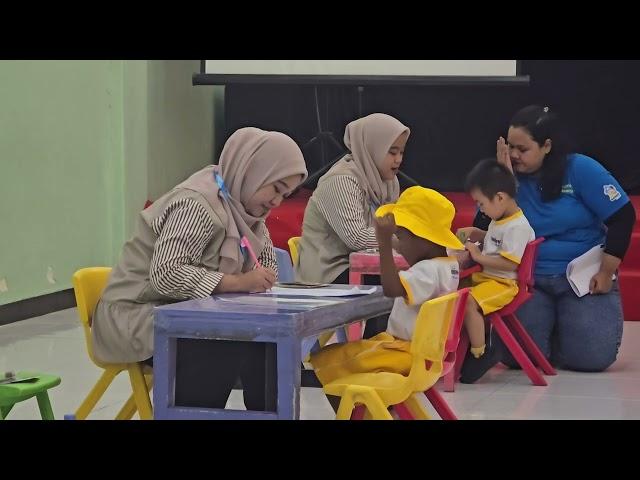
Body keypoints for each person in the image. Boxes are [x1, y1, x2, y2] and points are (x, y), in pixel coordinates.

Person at [91, 127, 308, 411]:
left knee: (270, 343)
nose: (277, 202)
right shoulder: (197, 205)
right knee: (218, 346)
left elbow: (265, 266)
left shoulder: (245, 208)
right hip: (137, 316)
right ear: (252, 170)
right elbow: (166, 275)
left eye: (286, 194)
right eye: (276, 188)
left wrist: (259, 279)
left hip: (188, 315)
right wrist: (240, 282)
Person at [472, 105, 635, 372]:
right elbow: (484, 228)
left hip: (580, 278)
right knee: (514, 358)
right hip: (526, 280)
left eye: (522, 150)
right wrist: (500, 184)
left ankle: (563, 332)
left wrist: (606, 272)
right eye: (510, 147)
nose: (513, 155)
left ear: (547, 146)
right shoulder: (505, 175)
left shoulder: (581, 168)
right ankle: (552, 331)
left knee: (592, 359)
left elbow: (623, 216)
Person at [309, 187, 464, 409]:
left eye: (400, 237)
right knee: (343, 354)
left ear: (423, 239)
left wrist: (383, 243)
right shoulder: (448, 266)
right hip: (422, 356)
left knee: (331, 360)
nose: (399, 247)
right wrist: (389, 237)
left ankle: (356, 413)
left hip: (402, 354)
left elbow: (391, 288)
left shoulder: (428, 271)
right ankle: (367, 412)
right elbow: (410, 251)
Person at [295, 112, 410, 337]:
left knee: (412, 275)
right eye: (392, 152)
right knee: (388, 281)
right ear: (372, 149)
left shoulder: (389, 182)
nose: (398, 160)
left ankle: (385, 348)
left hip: (363, 263)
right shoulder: (341, 181)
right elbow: (355, 238)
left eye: (402, 152)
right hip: (328, 271)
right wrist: (398, 241)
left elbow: (396, 224)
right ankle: (376, 349)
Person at [456, 159, 535, 383]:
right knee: (454, 288)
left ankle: (479, 352)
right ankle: (458, 343)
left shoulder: (517, 226)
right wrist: (476, 232)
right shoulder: (500, 218)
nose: (480, 209)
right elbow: (495, 240)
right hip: (488, 278)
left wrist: (478, 256)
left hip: (505, 284)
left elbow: (510, 263)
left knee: (468, 302)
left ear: (500, 197)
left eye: (481, 204)